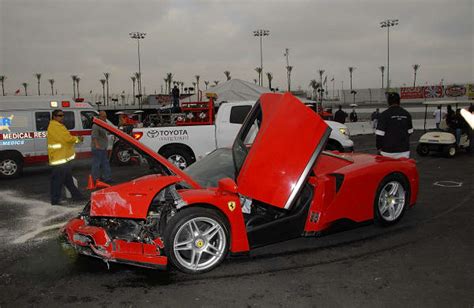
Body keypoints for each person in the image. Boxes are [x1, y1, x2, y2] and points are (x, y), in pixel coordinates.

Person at [47, 109, 85, 205]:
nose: (62, 117)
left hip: (62, 158)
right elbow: (67, 139)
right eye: (59, 115)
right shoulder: (55, 126)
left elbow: (65, 139)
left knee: (68, 180)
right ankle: (55, 200)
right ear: (54, 117)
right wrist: (78, 139)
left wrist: (75, 139)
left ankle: (77, 196)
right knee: (58, 181)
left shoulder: (57, 126)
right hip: (60, 159)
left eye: (63, 115)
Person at [376, 92, 414, 158]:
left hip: (387, 152)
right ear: (399, 101)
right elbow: (410, 132)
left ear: (388, 102)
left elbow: (379, 135)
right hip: (404, 151)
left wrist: (379, 148)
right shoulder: (407, 114)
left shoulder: (384, 115)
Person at [91, 111, 112, 184]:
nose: (105, 118)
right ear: (99, 116)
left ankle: (107, 177)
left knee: (105, 163)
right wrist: (97, 145)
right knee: (96, 164)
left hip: (103, 147)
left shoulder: (104, 124)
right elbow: (94, 137)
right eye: (103, 116)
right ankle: (95, 179)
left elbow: (108, 132)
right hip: (98, 147)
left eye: (105, 116)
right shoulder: (96, 125)